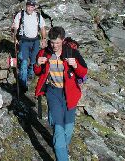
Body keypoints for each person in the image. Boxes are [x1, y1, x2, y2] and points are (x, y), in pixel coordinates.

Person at [34, 26, 88, 161]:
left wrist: (75, 65)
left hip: (70, 94)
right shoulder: (44, 53)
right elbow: (37, 71)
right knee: (58, 131)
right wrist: (37, 64)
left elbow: (83, 72)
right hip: (53, 93)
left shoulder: (71, 52)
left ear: (62, 41)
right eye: (52, 43)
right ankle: (62, 155)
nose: (54, 46)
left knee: (68, 131)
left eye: (57, 43)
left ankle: (61, 147)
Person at [11, 0, 46, 93]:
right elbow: (15, 27)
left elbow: (42, 28)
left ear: (34, 7)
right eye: (28, 6)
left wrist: (43, 39)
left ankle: (30, 74)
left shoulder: (38, 16)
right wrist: (14, 34)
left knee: (34, 61)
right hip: (24, 41)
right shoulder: (20, 15)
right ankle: (23, 83)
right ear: (26, 6)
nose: (30, 8)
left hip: (35, 41)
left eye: (32, 6)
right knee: (24, 62)